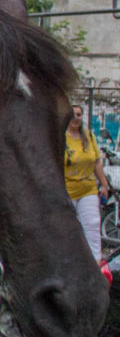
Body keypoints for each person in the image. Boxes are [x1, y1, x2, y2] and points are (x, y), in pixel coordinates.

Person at [66, 104, 111, 270]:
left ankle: (95, 265)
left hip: (88, 189)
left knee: (92, 223)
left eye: (79, 114)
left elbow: (97, 163)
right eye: (73, 114)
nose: (76, 117)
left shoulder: (89, 137)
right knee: (69, 228)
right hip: (67, 190)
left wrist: (104, 185)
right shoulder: (61, 138)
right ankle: (68, 264)